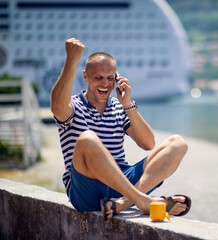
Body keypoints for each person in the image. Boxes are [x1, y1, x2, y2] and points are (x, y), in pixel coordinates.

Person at [50, 38, 191, 221]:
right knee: (87, 139)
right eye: (98, 77)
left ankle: (125, 203)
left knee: (178, 143)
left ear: (117, 78)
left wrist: (127, 105)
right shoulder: (74, 106)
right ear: (85, 76)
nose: (105, 84)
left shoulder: (119, 107)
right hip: (86, 188)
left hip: (121, 185)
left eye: (110, 78)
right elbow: (57, 108)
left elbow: (148, 143)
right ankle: (142, 201)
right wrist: (71, 60)